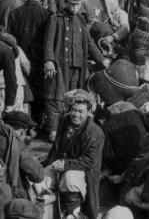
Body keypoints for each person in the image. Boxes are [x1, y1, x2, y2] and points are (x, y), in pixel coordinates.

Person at [42, 0, 107, 141]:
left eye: (77, 5)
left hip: (77, 67)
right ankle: (53, 130)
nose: (74, 8)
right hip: (59, 66)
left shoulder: (81, 21)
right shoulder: (55, 19)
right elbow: (49, 41)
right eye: (71, 4)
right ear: (65, 2)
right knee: (56, 96)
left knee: (75, 98)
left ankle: (69, 129)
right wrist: (49, 60)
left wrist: (102, 60)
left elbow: (90, 43)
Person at [44, 89, 104, 219]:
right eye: (74, 110)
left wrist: (65, 165)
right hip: (60, 164)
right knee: (41, 178)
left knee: (70, 179)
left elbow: (89, 161)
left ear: (89, 113)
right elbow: (56, 148)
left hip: (82, 171)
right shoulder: (65, 121)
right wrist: (47, 165)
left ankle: (74, 213)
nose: (76, 114)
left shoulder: (95, 132)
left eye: (81, 111)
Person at [0, 111, 45, 199]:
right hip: (8, 196)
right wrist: (33, 160)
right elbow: (38, 176)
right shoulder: (17, 145)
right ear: (23, 131)